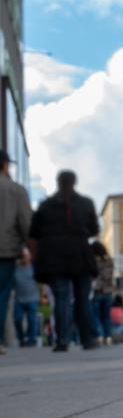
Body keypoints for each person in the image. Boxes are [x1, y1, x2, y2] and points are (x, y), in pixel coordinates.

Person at [29, 170, 99, 352]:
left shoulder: (45, 206)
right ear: (74, 182)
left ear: (58, 182)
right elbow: (94, 230)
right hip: (80, 255)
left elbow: (34, 233)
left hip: (54, 258)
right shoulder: (86, 203)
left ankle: (62, 340)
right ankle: (87, 339)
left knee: (61, 298)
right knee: (83, 298)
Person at [0, 149, 30, 350]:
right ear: (5, 165)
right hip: (5, 250)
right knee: (2, 295)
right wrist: (26, 248)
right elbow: (25, 223)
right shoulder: (16, 190)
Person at [90, 242, 115, 345]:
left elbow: (94, 276)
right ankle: (108, 336)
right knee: (106, 316)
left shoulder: (93, 261)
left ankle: (99, 335)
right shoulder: (110, 261)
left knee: (95, 315)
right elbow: (109, 275)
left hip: (97, 291)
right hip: (108, 291)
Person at [14, 248, 39, 347]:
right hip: (19, 299)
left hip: (32, 298)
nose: (24, 258)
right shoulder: (15, 268)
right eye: (22, 256)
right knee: (17, 319)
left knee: (31, 319)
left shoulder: (34, 268)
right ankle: (21, 338)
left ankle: (31, 339)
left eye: (26, 255)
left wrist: (42, 295)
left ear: (30, 257)